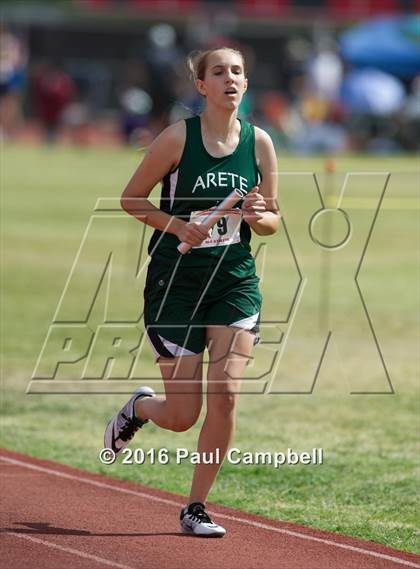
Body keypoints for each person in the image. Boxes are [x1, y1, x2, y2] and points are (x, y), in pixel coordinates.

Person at [104, 47, 279, 537]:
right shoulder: (178, 138)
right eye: (219, 72)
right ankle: (139, 407)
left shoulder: (260, 142)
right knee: (182, 416)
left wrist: (258, 214)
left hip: (233, 281)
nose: (230, 78)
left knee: (225, 395)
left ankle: (196, 507)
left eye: (238, 71)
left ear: (246, 84)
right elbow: (130, 199)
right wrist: (177, 225)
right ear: (202, 86)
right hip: (175, 284)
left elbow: (271, 222)